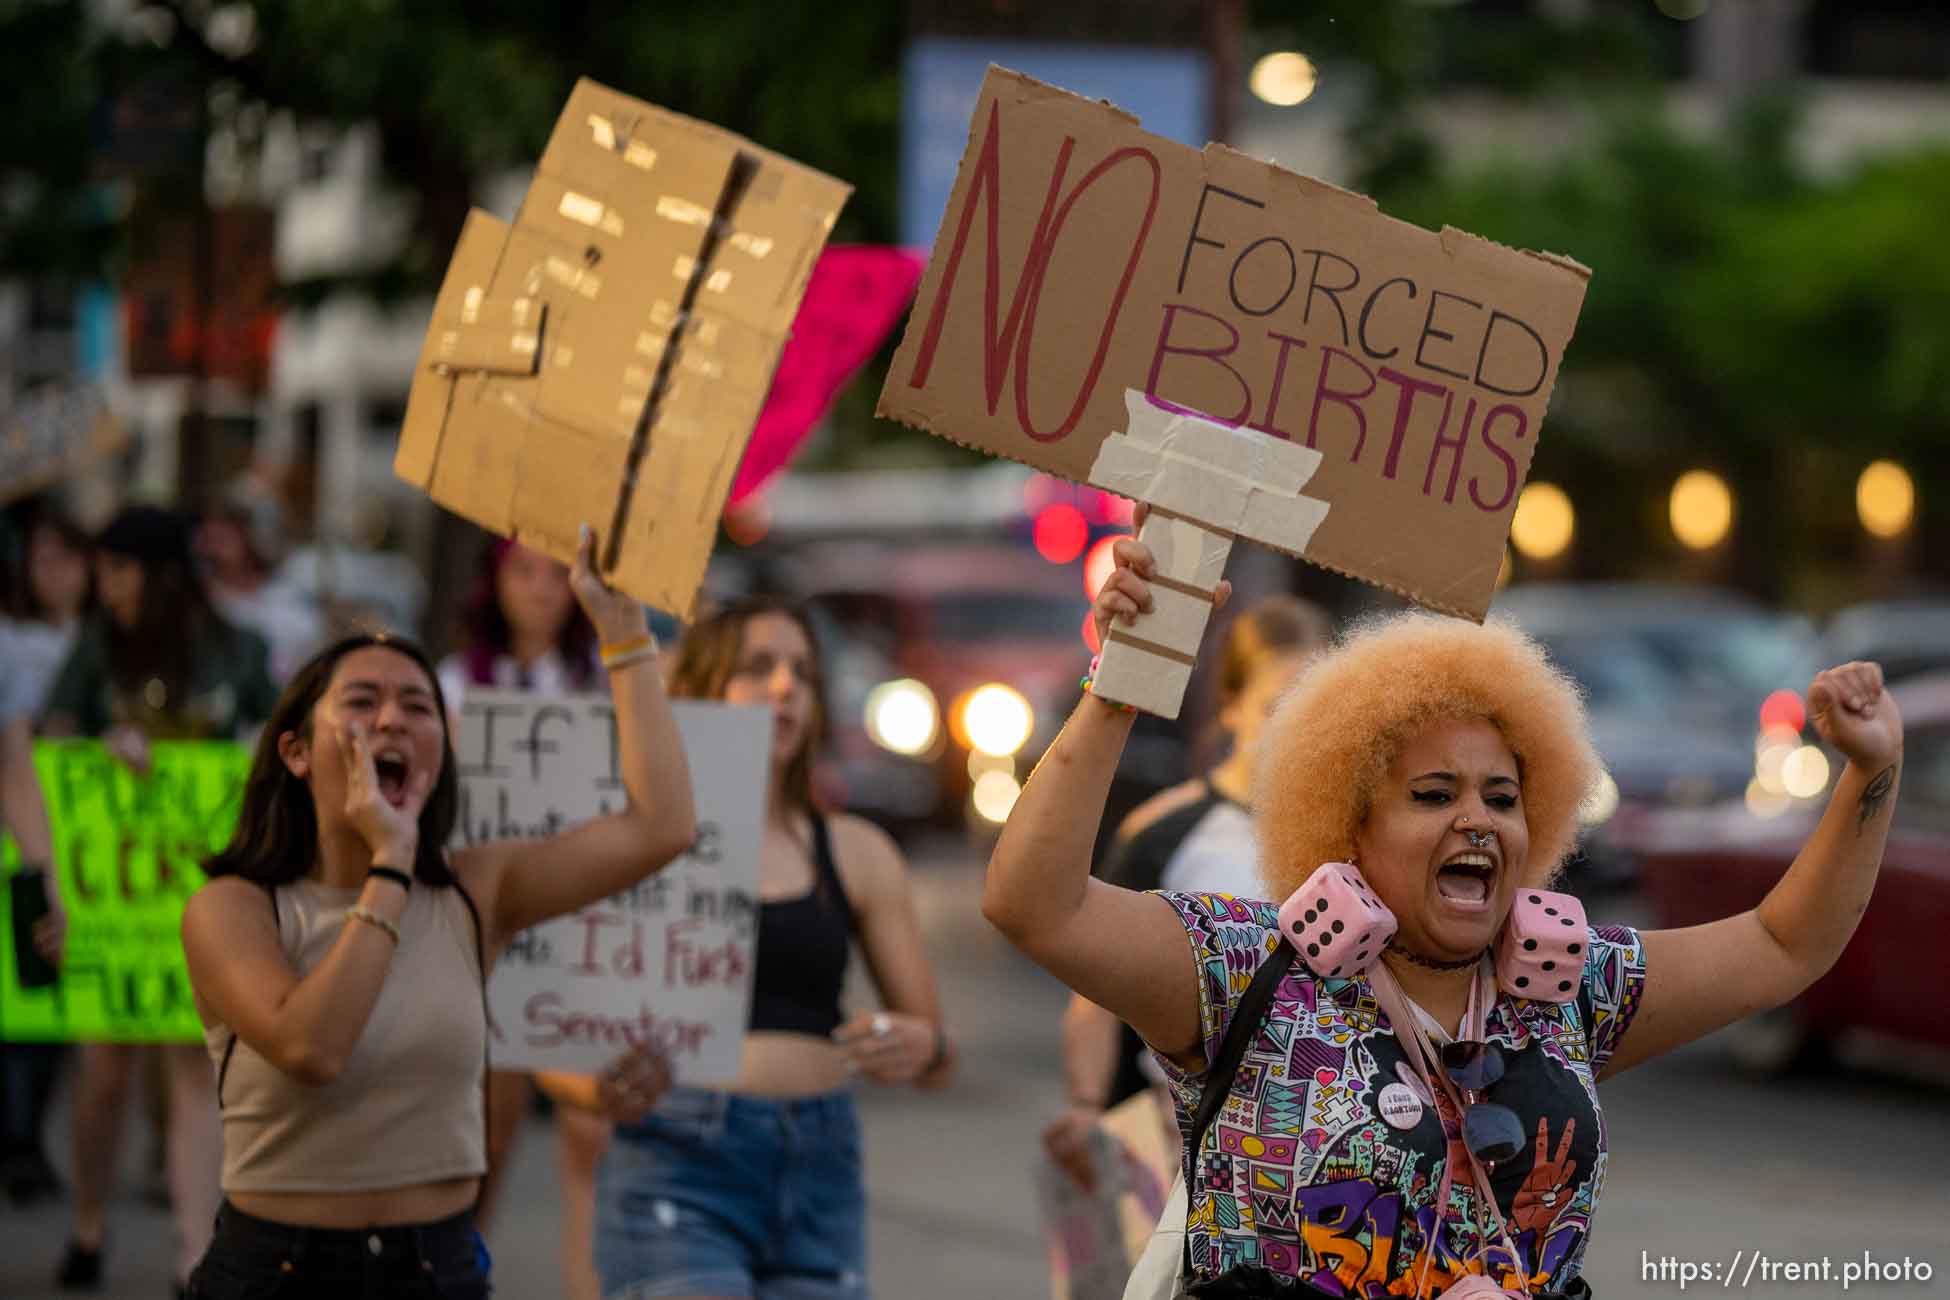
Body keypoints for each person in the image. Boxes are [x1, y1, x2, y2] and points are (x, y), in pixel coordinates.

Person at [985, 516, 1904, 1296]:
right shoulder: (1243, 967)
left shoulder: (1573, 987)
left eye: (1501, 799)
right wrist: (1124, 679)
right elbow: (1035, 904)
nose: (1476, 820)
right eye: (1433, 795)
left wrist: (1873, 771)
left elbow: (1786, 943)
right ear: (1346, 825)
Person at [177, 524, 697, 1299]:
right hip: (277, 1273)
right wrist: (389, 863)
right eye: (363, 701)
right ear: (293, 751)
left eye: (417, 707)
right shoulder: (233, 908)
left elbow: (661, 828)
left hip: (435, 1270)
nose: (392, 720)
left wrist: (624, 635)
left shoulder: (474, 892)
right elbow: (310, 1047)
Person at [596, 595, 957, 1300]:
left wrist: (920, 1045)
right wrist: (595, 1086)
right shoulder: (634, 841)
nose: (787, 687)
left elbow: (938, 1053)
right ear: (700, 690)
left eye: (803, 672)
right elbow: (553, 1041)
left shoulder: (857, 850)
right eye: (758, 668)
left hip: (820, 1167)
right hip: (679, 1164)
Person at [39, 504, 280, 1294]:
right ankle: (88, 1222)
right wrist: (95, 747)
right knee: (103, 1068)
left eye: (117, 568)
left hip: (199, 897)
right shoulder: (96, 647)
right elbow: (47, 734)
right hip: (118, 906)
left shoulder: (237, 650)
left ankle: (190, 1254)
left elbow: (273, 744)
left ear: (157, 573)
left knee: (191, 1063)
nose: (103, 585)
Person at [1043, 596, 1331, 1190]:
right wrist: (1086, 1103)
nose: (1300, 726)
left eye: (1320, 704)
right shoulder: (1164, 834)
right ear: (1230, 708)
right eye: (1278, 705)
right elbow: (1097, 990)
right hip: (1183, 1149)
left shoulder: (1362, 837)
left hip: (1325, 1144)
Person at [435, 537, 609, 1300]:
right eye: (524, 572)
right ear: (494, 582)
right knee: (489, 1126)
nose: (542, 590)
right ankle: (462, 1267)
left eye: (556, 575)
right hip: (490, 932)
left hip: (579, 928)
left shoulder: (601, 681)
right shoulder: (451, 684)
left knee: (592, 1126)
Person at [196, 478, 325, 685]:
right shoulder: (206, 601)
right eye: (210, 539)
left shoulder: (285, 591)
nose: (216, 550)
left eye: (224, 539)